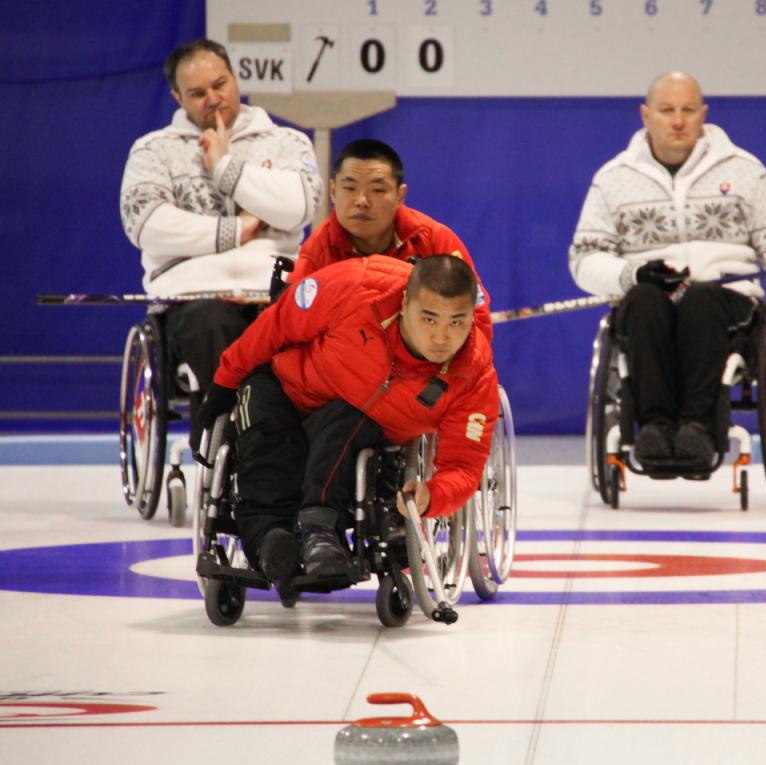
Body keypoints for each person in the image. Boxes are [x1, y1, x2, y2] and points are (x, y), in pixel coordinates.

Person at [196, 254, 498, 606]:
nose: (442, 336)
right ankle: (270, 543)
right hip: (285, 386)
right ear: (405, 302)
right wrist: (223, 382)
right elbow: (274, 325)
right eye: (429, 319)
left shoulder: (473, 374)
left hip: (352, 425)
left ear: (470, 318)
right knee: (264, 433)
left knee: (349, 424)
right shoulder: (355, 287)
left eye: (456, 322)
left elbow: (464, 468)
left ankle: (320, 533)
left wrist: (432, 496)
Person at [569, 71, 766, 467]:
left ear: (704, 113)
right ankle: (654, 427)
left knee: (702, 299)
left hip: (727, 305)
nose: (678, 120)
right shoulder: (612, 180)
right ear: (646, 115)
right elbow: (584, 258)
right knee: (646, 300)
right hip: (649, 302)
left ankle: (698, 428)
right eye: (667, 110)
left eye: (688, 110)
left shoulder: (745, 172)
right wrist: (631, 274)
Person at [119, 38, 322, 442]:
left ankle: (282, 454)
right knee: (212, 324)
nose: (213, 98)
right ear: (178, 97)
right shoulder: (153, 151)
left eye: (220, 84)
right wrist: (238, 230)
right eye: (197, 93)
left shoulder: (285, 143)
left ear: (236, 78)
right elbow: (146, 225)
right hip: (195, 298)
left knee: (305, 330)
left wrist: (225, 169)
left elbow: (299, 207)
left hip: (273, 291)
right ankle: (228, 448)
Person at [289, 137, 491, 339]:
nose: (361, 201)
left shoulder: (435, 240)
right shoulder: (316, 252)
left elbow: (478, 319)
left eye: (377, 190)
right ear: (333, 191)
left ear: (400, 196)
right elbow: (290, 327)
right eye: (349, 188)